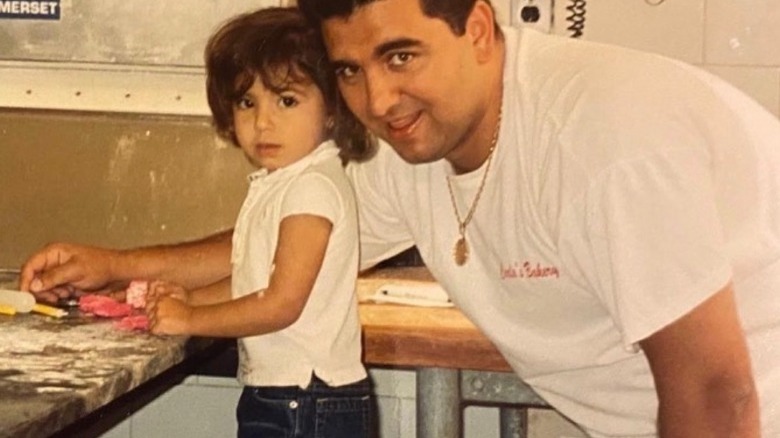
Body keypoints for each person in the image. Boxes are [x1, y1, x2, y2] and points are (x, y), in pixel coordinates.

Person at [19, 0, 780, 436]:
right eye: (349, 70)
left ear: (478, 28)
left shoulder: (607, 133)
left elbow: (719, 395)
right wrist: (117, 264)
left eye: (402, 56)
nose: (378, 102)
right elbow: (270, 249)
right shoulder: (409, 148)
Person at [46, 7, 373, 438]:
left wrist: (189, 320)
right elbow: (252, 280)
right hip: (287, 392)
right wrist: (192, 298)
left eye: (287, 101)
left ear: (332, 108)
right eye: (246, 102)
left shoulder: (312, 188)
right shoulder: (284, 182)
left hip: (308, 399)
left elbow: (280, 303)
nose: (263, 121)